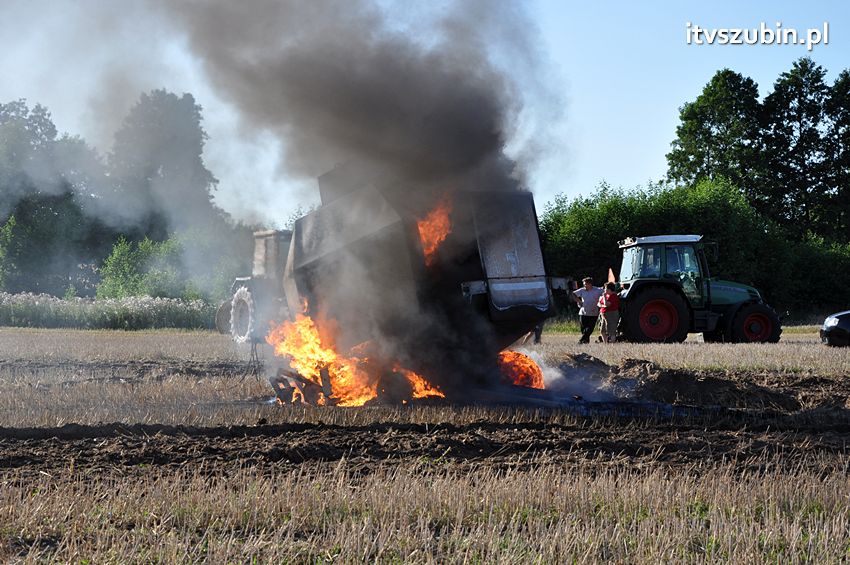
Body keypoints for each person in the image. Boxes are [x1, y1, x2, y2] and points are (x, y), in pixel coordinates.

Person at [571, 277, 603, 344]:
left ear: (590, 284)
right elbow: (573, 294)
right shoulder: (582, 290)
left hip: (593, 313)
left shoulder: (597, 290)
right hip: (583, 313)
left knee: (590, 329)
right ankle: (585, 342)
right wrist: (579, 301)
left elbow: (606, 291)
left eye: (586, 284)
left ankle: (581, 341)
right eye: (584, 284)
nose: (584, 285)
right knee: (583, 329)